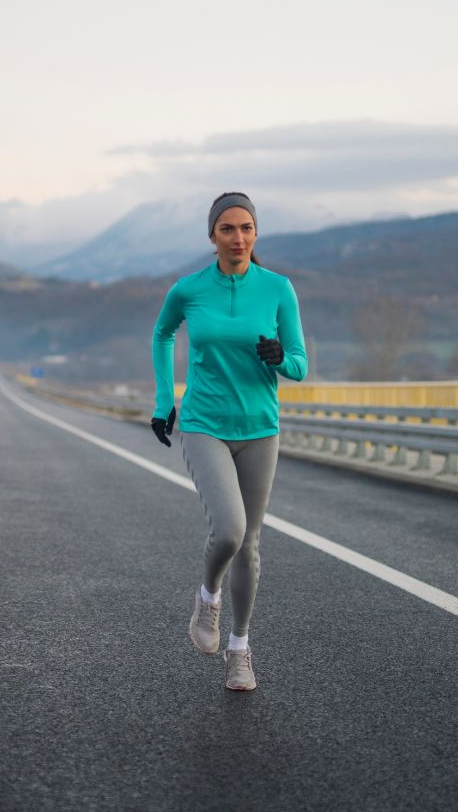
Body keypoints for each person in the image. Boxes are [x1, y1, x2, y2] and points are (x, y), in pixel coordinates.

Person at [149, 191, 308, 691]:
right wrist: (163, 399)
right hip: (203, 424)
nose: (238, 238)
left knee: (251, 545)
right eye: (227, 229)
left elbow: (300, 366)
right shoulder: (189, 289)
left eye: (246, 228)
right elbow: (162, 335)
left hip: (260, 429)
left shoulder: (278, 289)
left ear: (256, 234)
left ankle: (239, 651)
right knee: (231, 529)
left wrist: (279, 356)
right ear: (212, 236)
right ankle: (207, 597)